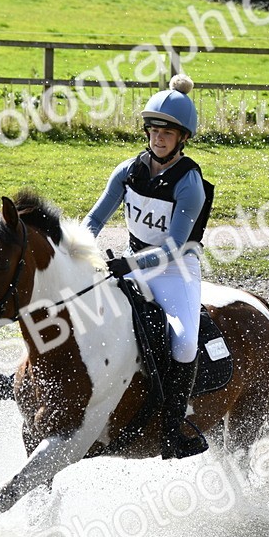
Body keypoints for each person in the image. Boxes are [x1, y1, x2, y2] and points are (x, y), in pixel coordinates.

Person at [81, 74, 213, 460]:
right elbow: (94, 220)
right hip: (130, 263)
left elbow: (173, 248)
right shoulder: (128, 171)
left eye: (167, 133)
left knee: (184, 342)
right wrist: (77, 250)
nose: (158, 138)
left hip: (175, 271)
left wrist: (128, 263)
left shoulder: (189, 183)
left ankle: (173, 429)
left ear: (182, 138)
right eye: (154, 130)